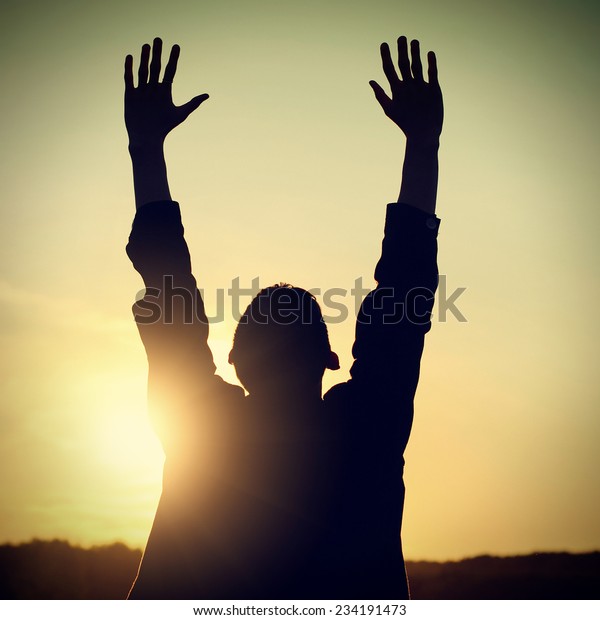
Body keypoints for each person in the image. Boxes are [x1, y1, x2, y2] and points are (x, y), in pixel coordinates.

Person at [124, 35, 443, 599]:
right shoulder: (364, 429)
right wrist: (422, 146)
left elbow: (169, 292)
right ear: (329, 356)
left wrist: (147, 153)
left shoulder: (205, 427)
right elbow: (404, 294)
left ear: (234, 358)